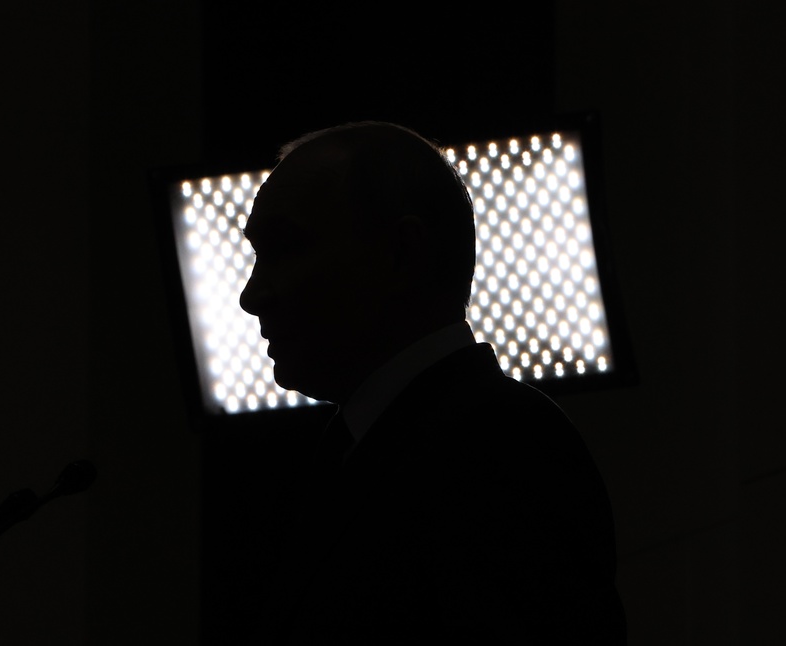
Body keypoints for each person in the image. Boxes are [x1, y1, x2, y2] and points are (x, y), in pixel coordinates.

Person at [235, 120, 627, 644]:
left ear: (401, 253)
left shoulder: (501, 447)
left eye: (285, 249)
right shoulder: (381, 448)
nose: (252, 295)